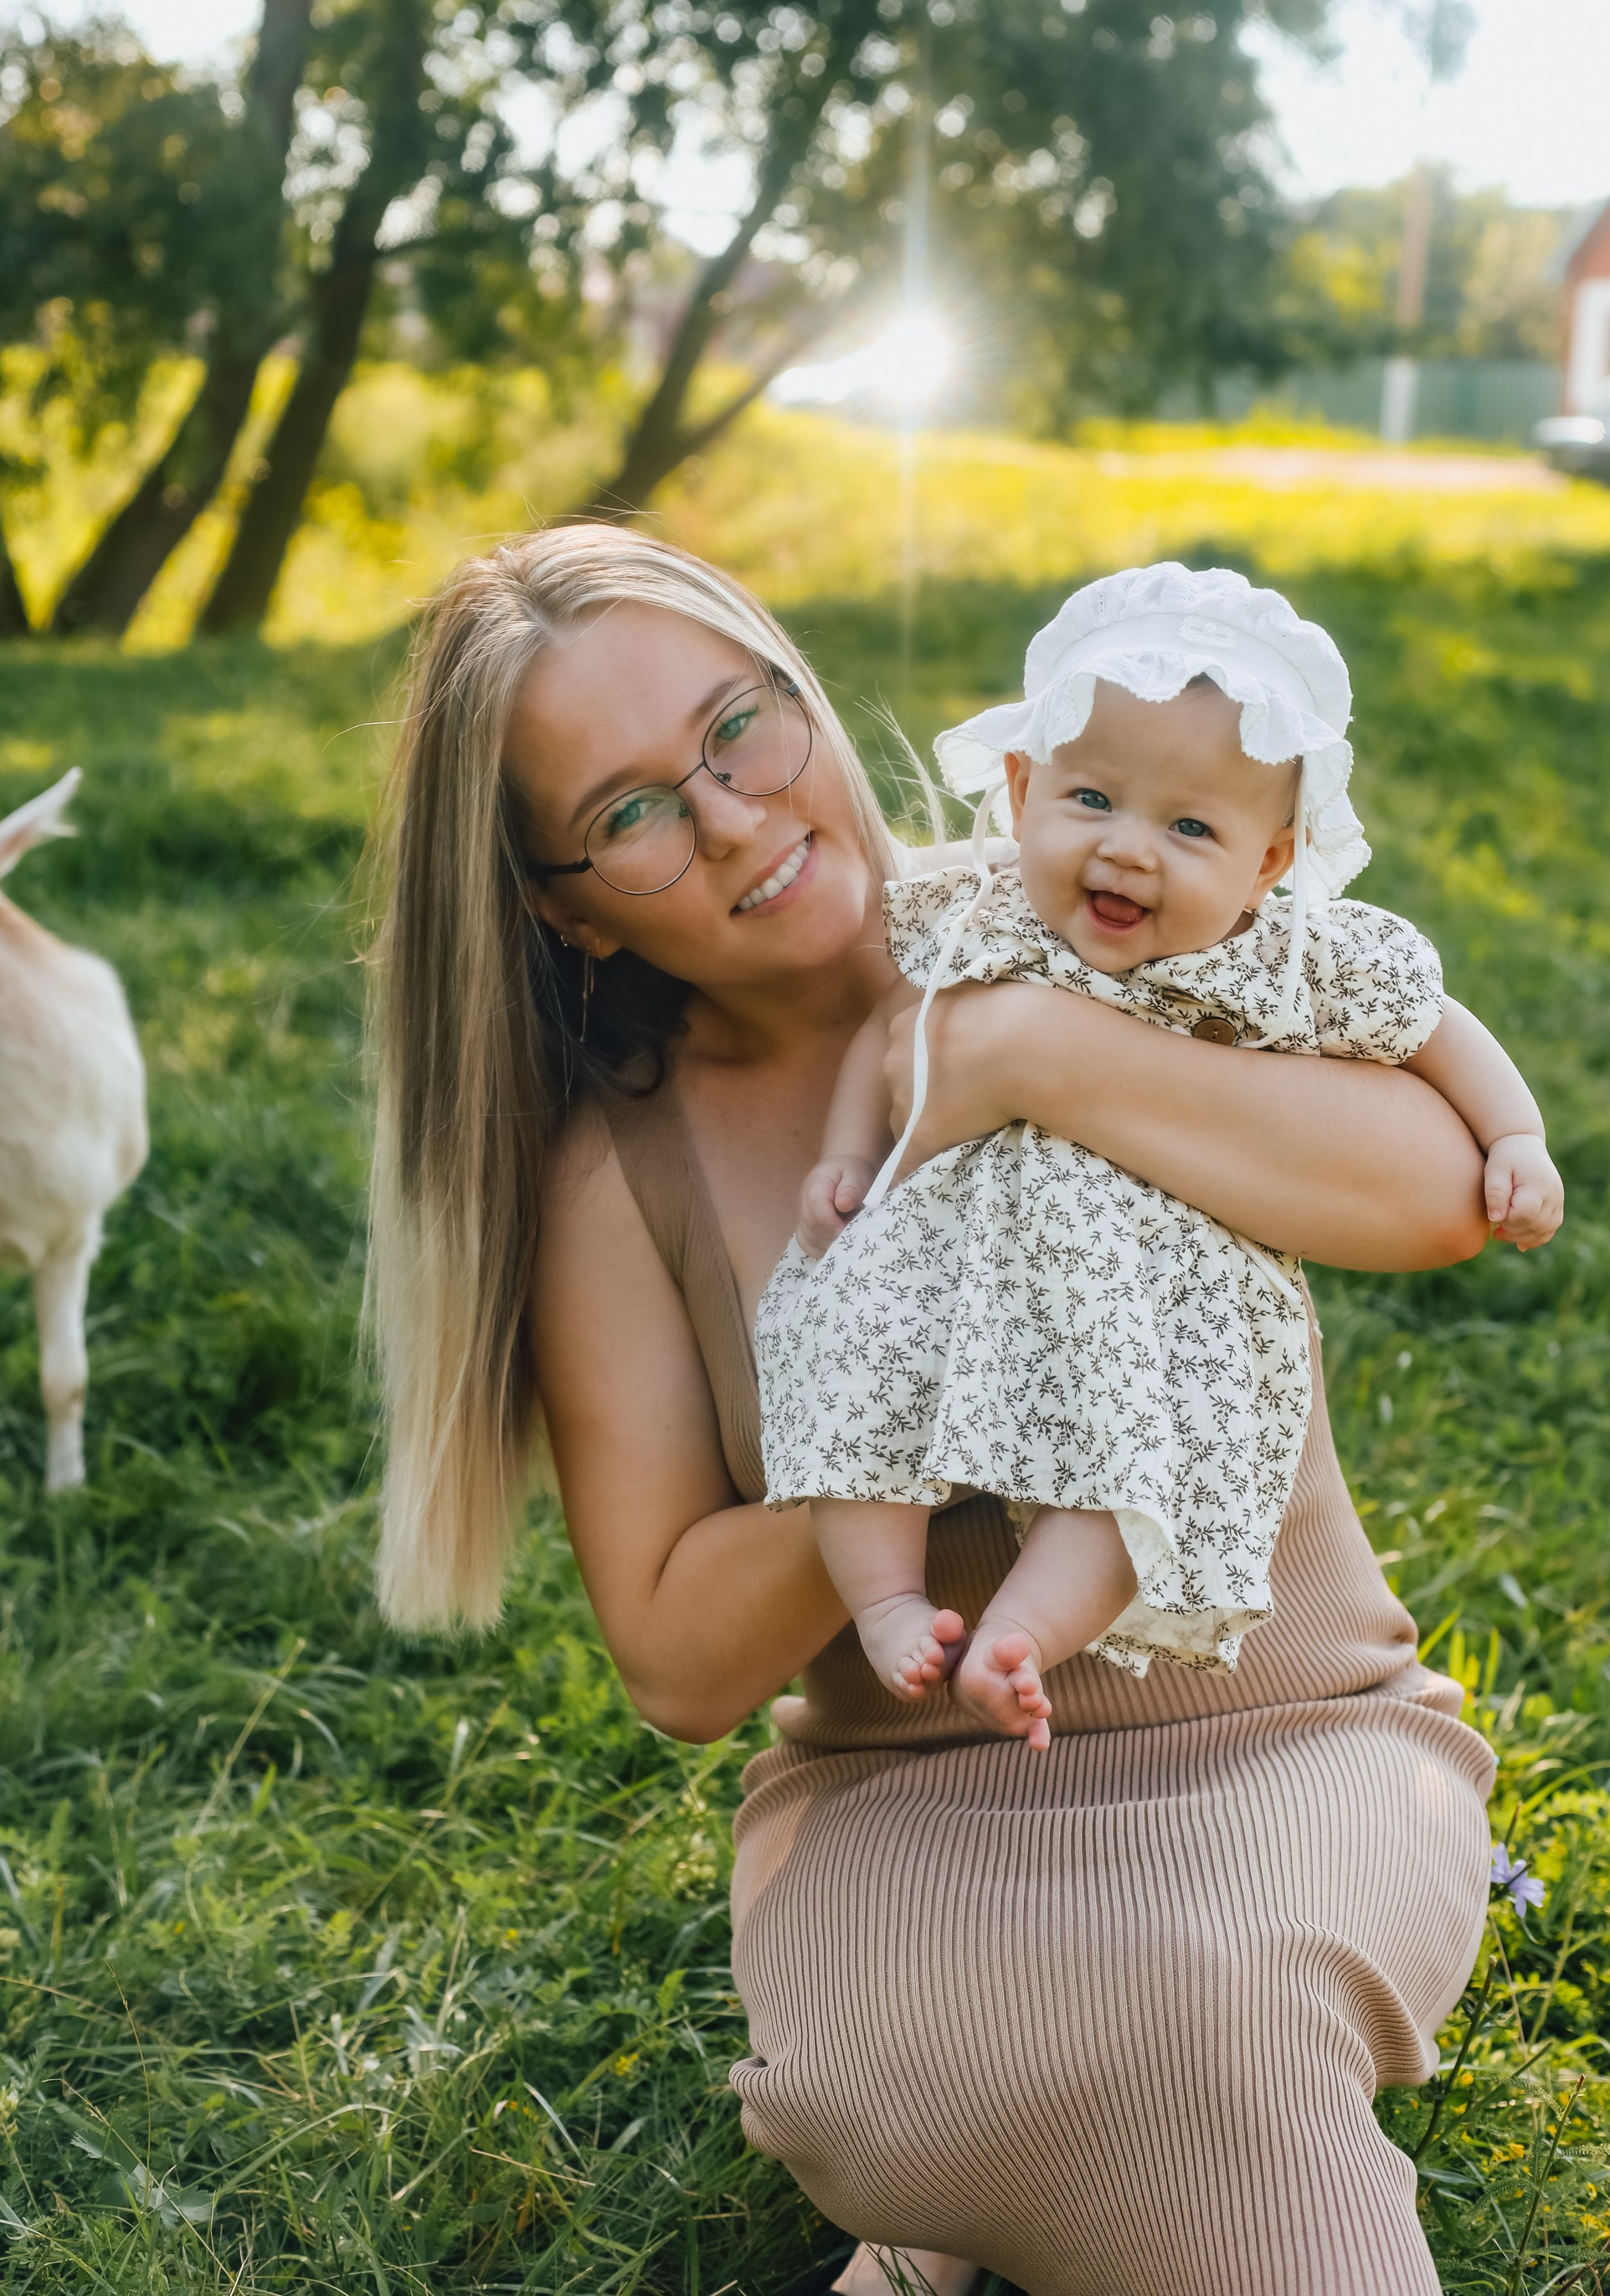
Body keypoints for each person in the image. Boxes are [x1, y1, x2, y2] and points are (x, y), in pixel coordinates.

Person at [371, 523, 1500, 2296]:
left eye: (737, 727)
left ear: (800, 692)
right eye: (634, 812)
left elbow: (1444, 1193)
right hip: (919, 1793)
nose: (735, 816)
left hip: (1290, 1728)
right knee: (878, 2088)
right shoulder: (626, 1165)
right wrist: (922, 1401)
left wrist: (1037, 1064)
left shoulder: (1094, 909)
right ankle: (974, 2188)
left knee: (1207, 2012)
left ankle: (1030, 2210)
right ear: (557, 898)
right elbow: (673, 1659)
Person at [756, 566, 1562, 1746]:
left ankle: (1025, 1633)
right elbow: (897, 1030)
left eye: (1191, 828)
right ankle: (887, 1606)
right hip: (948, 1254)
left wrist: (1517, 1134)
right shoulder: (983, 911)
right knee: (856, 1363)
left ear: (1269, 863)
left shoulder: (1288, 952)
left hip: (1160, 1293)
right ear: (1023, 788)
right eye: (1093, 799)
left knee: (1139, 1457)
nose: (1131, 851)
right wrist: (845, 1157)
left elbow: (1434, 1023)